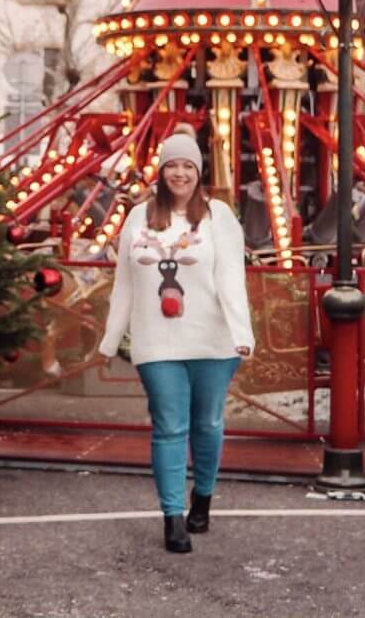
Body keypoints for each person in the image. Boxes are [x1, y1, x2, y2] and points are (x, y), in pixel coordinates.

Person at [98, 123, 254, 554]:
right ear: (162, 170)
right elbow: (125, 284)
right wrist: (112, 339)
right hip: (157, 342)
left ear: (199, 172)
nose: (180, 174)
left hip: (212, 339)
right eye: (172, 165)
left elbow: (231, 278)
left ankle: (201, 499)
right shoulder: (137, 217)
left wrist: (242, 332)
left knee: (207, 423)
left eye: (188, 165)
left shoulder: (219, 217)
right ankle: (171, 516)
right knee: (169, 427)